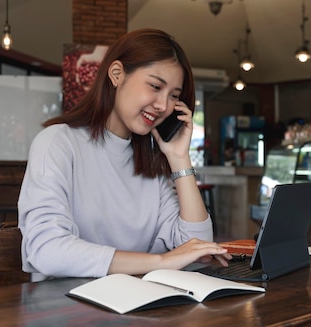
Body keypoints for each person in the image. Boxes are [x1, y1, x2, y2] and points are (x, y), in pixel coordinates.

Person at [17, 28, 232, 281]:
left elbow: (198, 247)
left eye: (174, 96)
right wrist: (162, 261)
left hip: (138, 307)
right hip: (69, 307)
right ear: (117, 74)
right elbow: (45, 250)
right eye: (155, 86)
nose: (163, 105)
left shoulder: (151, 162)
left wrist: (178, 158)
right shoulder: (58, 142)